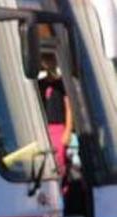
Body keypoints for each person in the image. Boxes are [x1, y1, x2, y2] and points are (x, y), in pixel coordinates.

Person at [38, 54, 73, 189]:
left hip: (59, 129)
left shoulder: (62, 84)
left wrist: (68, 130)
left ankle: (62, 190)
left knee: (60, 163)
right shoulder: (40, 84)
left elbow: (69, 107)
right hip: (45, 129)